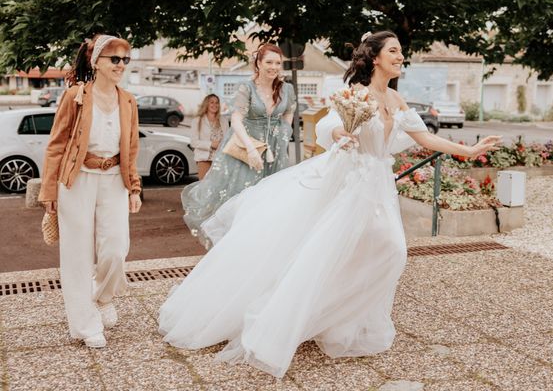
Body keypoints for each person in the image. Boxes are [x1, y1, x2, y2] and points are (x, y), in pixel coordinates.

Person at [158, 31, 501, 378]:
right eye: (394, 51)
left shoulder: (395, 98)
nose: (400, 57)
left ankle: (338, 318)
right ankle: (294, 315)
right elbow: (331, 127)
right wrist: (343, 136)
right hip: (351, 181)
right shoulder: (357, 93)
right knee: (334, 250)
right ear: (376, 57)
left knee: (389, 250)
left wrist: (468, 150)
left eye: (401, 52)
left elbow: (423, 136)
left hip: (378, 182)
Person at [39, 34, 142, 349]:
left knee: (116, 248)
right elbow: (56, 144)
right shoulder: (75, 96)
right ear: (96, 62)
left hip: (114, 180)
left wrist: (134, 188)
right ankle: (85, 325)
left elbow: (132, 147)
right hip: (76, 179)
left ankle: (103, 295)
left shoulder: (128, 100)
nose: (121, 65)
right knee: (76, 254)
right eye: (115, 59)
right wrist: (49, 194)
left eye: (125, 59)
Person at [181, 43, 296, 248]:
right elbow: (236, 120)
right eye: (269, 62)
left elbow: (288, 113)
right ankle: (237, 247)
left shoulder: (287, 89)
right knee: (243, 199)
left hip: (275, 152)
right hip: (246, 149)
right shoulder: (247, 88)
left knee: (272, 201)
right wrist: (251, 149)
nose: (274, 67)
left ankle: (263, 246)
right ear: (258, 64)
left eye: (278, 63)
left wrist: (283, 134)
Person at [190, 93, 229, 180]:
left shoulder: (224, 121)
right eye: (212, 102)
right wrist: (211, 144)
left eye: (217, 102)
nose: (214, 105)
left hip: (220, 158)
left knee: (218, 186)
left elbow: (227, 139)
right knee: (204, 186)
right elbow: (194, 142)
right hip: (203, 158)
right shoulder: (197, 121)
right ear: (206, 104)